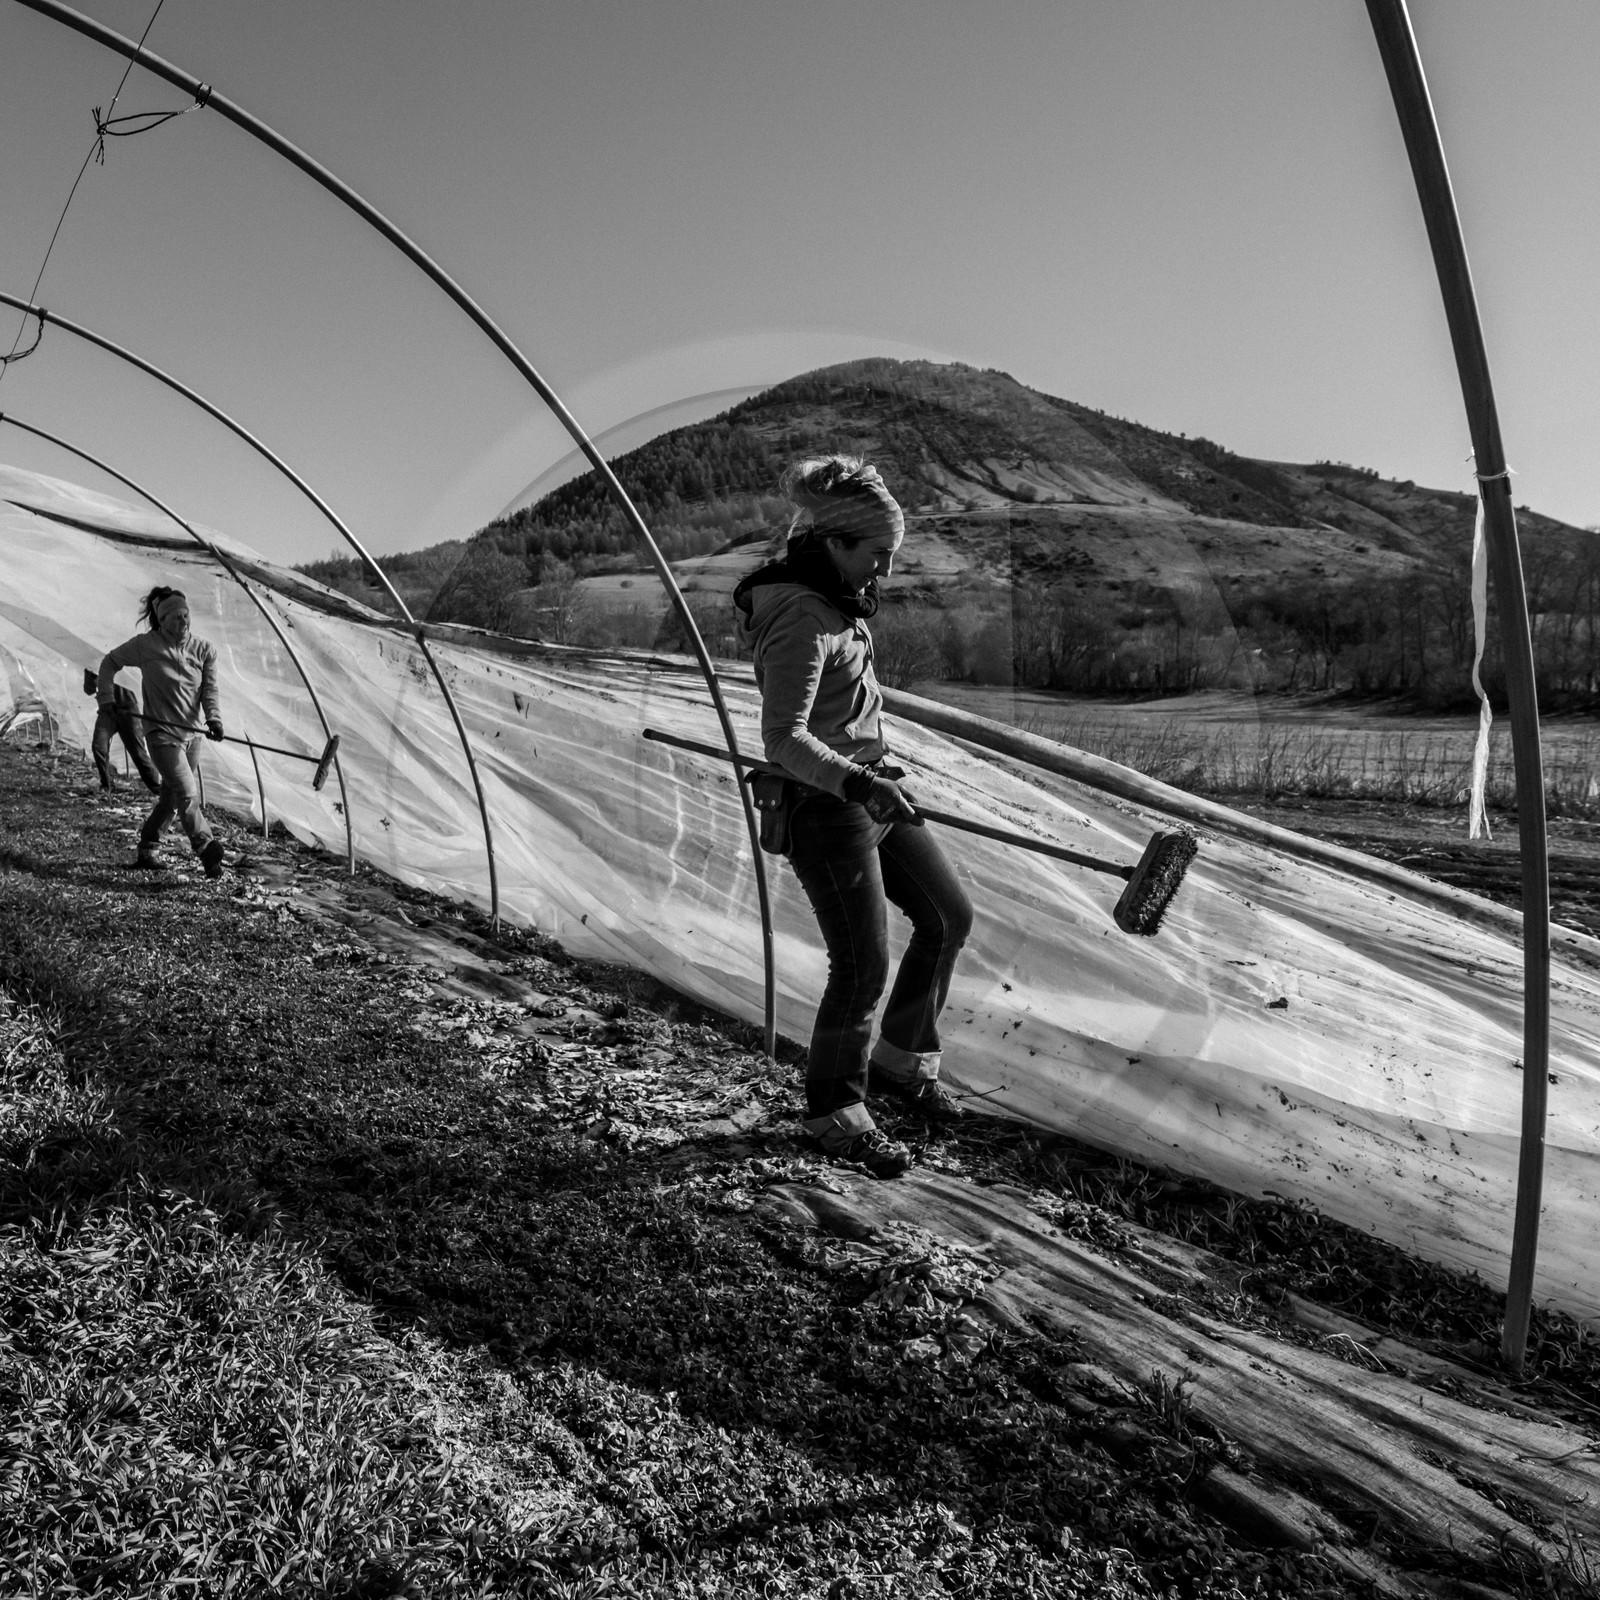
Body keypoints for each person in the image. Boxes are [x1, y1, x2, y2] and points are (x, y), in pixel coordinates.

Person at [734, 456, 974, 1179]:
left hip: (870, 791)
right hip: (826, 805)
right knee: (862, 965)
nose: (885, 571)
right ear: (835, 544)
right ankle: (834, 1114)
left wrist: (873, 779)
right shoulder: (803, 616)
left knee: (947, 917)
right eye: (877, 554)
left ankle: (902, 1060)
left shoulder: (836, 600)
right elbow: (782, 738)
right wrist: (859, 783)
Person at [97, 586, 227, 878]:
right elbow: (110, 662)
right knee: (187, 793)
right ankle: (206, 848)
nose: (183, 621)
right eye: (176, 617)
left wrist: (214, 720)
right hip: (161, 735)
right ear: (163, 620)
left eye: (186, 615)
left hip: (192, 736)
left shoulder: (204, 650)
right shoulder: (147, 646)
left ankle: (148, 848)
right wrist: (106, 699)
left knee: (170, 799)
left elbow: (210, 690)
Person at [82, 666, 161, 794]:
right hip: (107, 711)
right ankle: (107, 784)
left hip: (128, 711)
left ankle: (158, 789)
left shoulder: (124, 660)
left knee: (138, 752)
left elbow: (136, 682)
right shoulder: (93, 663)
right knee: (98, 747)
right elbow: (88, 690)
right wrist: (92, 677)